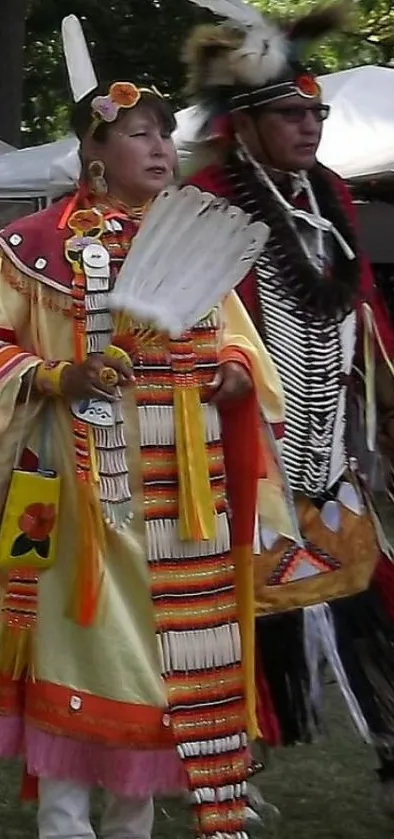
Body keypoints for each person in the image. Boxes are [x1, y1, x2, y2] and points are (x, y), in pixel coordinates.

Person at [0, 16, 285, 839]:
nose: (161, 146)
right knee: (82, 659)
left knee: (170, 675)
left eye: (165, 132)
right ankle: (63, 823)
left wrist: (232, 368)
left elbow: (234, 332)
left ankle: (131, 823)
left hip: (182, 503)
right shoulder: (34, 245)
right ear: (96, 151)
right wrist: (60, 374)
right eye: (138, 133)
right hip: (81, 495)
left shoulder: (188, 236)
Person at [181, 0, 394, 818]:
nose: (309, 126)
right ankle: (230, 768)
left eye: (315, 113)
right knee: (238, 614)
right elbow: (182, 318)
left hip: (329, 451)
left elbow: (364, 306)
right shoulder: (205, 198)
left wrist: (388, 406)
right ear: (244, 124)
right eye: (290, 114)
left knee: (366, 597)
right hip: (240, 452)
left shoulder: (332, 195)